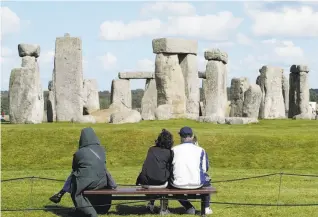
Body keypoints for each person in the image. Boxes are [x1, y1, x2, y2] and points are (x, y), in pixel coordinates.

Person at [50, 127, 117, 217]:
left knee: (76, 193)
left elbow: (74, 168)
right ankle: (83, 209)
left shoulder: (79, 153)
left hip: (86, 183)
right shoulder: (102, 150)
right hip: (102, 182)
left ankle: (90, 212)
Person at [170, 127, 213, 215]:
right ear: (192, 136)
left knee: (171, 185)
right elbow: (205, 169)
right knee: (207, 180)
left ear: (181, 136)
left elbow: (170, 168)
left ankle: (188, 207)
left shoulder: (173, 150)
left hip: (178, 183)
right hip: (197, 183)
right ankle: (206, 207)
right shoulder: (201, 150)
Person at [136, 129, 174, 214]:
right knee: (166, 179)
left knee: (156, 176)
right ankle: (163, 208)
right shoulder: (169, 153)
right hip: (161, 183)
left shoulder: (151, 149)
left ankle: (151, 204)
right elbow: (170, 169)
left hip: (145, 182)